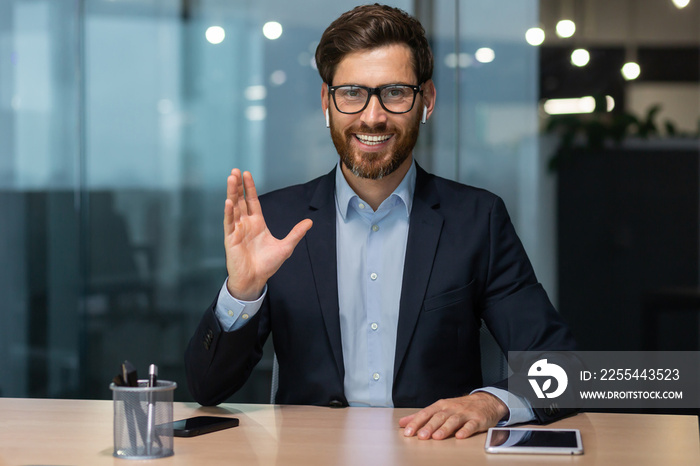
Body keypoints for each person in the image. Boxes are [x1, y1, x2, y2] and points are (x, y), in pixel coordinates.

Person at [185, 3, 576, 440]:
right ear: (326, 102)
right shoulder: (276, 222)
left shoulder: (476, 219)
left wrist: (491, 402)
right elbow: (207, 388)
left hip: (434, 453)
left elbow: (562, 367)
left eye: (394, 93)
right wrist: (242, 292)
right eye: (352, 92)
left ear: (426, 100)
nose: (372, 116)